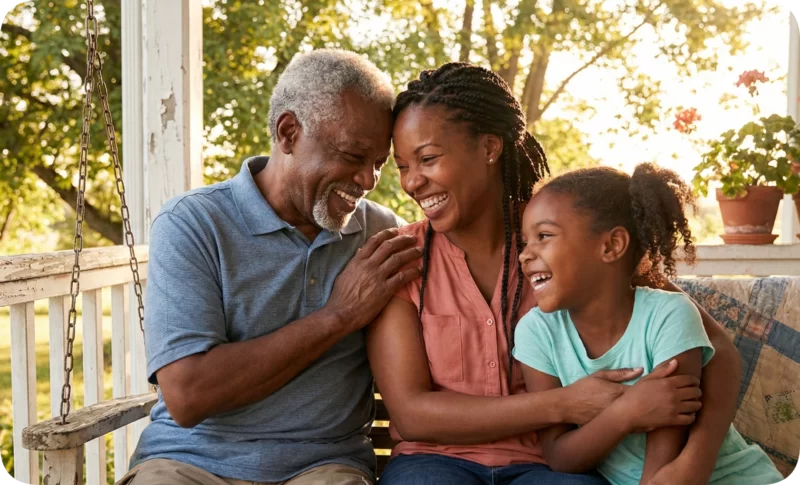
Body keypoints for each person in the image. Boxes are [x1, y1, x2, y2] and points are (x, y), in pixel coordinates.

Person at [367, 62, 741, 485]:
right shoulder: (400, 259)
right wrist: (565, 404)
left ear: (489, 148)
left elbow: (718, 350)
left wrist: (694, 461)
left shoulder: (566, 247)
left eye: (428, 159)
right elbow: (412, 414)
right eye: (401, 167)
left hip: (549, 468)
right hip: (432, 464)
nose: (413, 182)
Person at [116, 49, 423, 485]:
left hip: (324, 469)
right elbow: (187, 395)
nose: (368, 180)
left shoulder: (379, 235)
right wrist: (338, 316)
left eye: (378, 164)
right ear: (288, 132)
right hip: (187, 465)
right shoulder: (193, 224)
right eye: (354, 155)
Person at [512, 163, 784, 485]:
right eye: (525, 241)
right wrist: (623, 414)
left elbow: (663, 473)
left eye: (543, 236)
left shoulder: (668, 315)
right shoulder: (536, 332)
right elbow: (560, 457)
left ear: (611, 246)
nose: (524, 255)